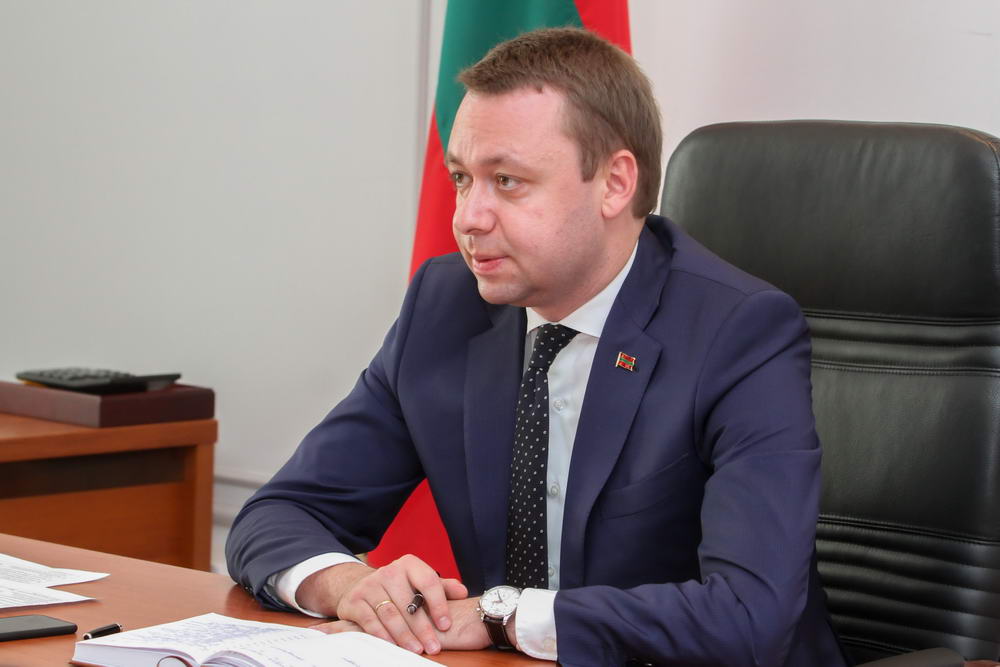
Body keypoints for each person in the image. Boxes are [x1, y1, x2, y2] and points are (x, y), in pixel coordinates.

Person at [226, 27, 849, 666]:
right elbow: (279, 514)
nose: (468, 217)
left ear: (614, 184)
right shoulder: (445, 306)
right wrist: (350, 585)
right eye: (462, 178)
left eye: (508, 180)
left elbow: (748, 617)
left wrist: (501, 617)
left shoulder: (738, 332)